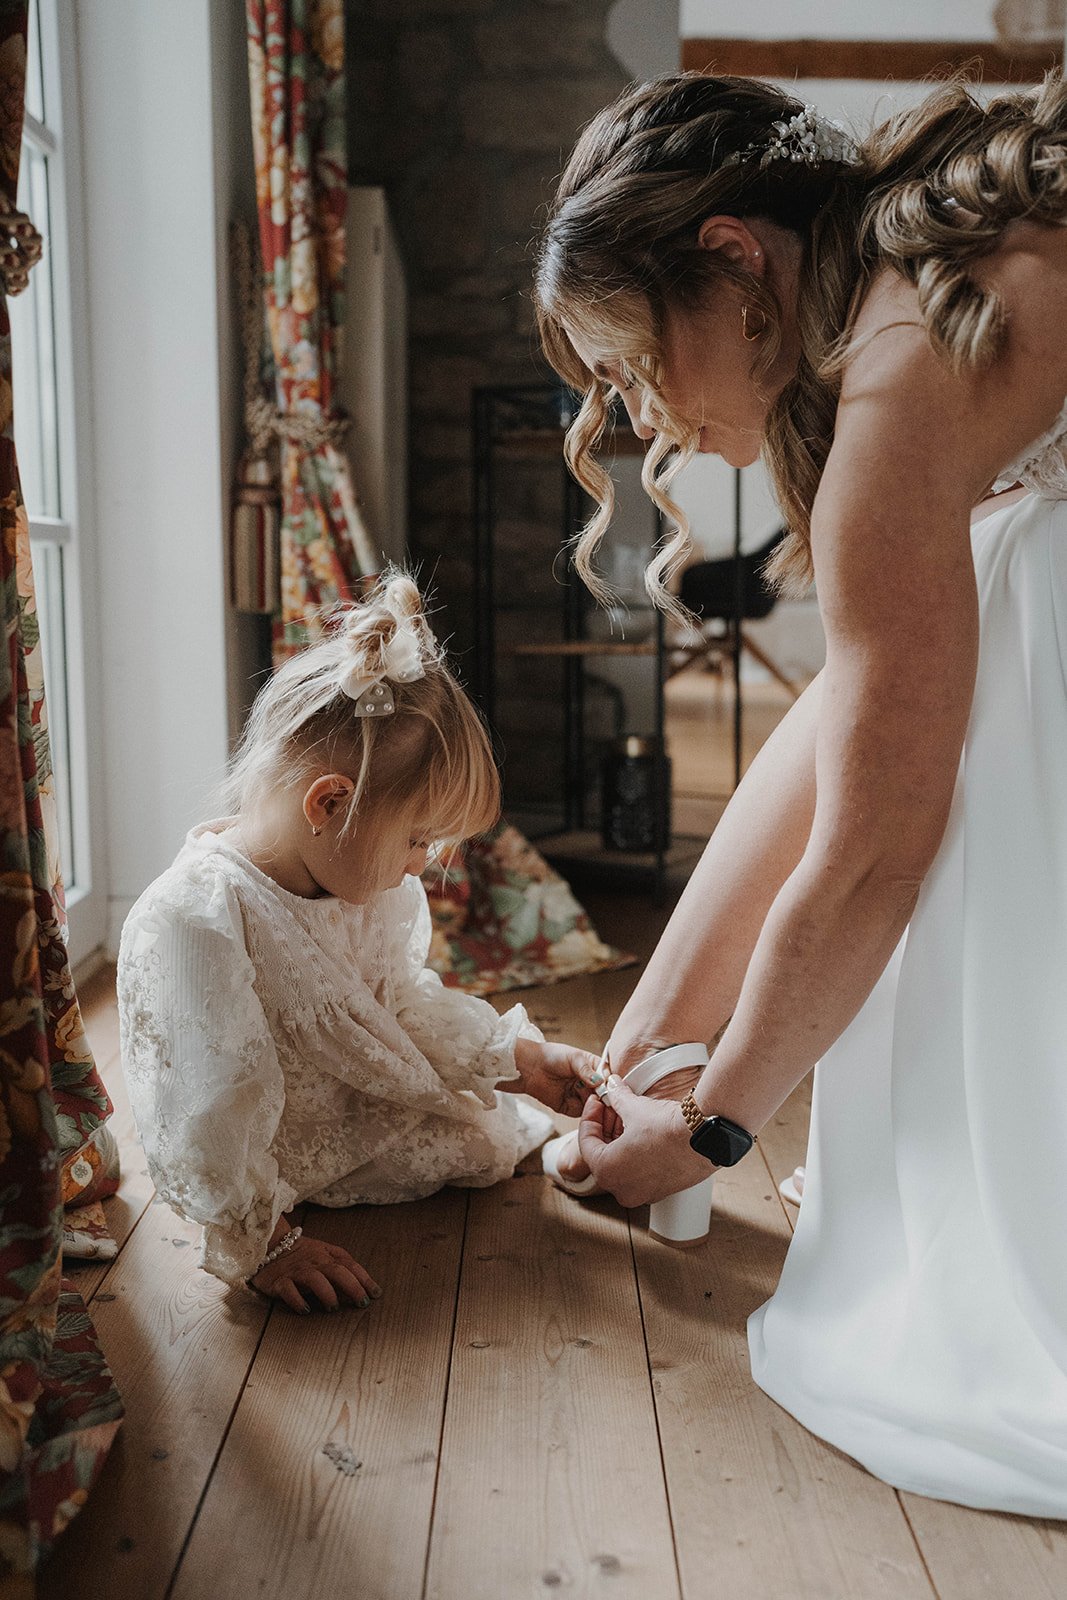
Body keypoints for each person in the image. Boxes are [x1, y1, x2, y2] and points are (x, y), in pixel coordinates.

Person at [533, 72, 1067, 1516]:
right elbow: (838, 731)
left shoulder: (901, 388)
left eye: (628, 362)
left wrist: (713, 1129)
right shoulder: (918, 300)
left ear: (731, 258)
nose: (638, 416)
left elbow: (872, 853)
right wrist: (651, 1048)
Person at [118, 573, 597, 1314]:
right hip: (261, 1159)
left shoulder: (369, 889)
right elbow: (205, 1104)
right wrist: (266, 1241)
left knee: (484, 1144)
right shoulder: (196, 915)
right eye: (416, 839)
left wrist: (516, 1062)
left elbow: (398, 1003)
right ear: (330, 801)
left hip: (347, 1109)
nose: (422, 865)